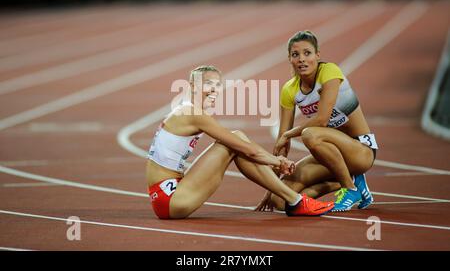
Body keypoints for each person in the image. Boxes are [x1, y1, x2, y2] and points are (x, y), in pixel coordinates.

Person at [146, 65, 334, 219]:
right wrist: (278, 161)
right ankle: (295, 201)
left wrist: (273, 162)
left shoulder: (186, 110)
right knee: (236, 140)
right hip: (171, 199)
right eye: (208, 84)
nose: (214, 90)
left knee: (236, 141)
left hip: (168, 192)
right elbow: (246, 149)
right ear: (193, 86)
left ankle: (293, 200)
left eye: (218, 85)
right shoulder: (192, 113)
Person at [256, 30, 376, 213]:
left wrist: (288, 134)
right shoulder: (289, 90)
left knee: (310, 134)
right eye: (295, 55)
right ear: (289, 59)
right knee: (280, 201)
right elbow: (282, 144)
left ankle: (350, 189)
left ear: (317, 55)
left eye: (307, 53)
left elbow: (321, 120)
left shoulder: (329, 72)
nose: (302, 59)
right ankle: (340, 183)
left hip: (360, 152)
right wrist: (271, 188)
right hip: (330, 156)